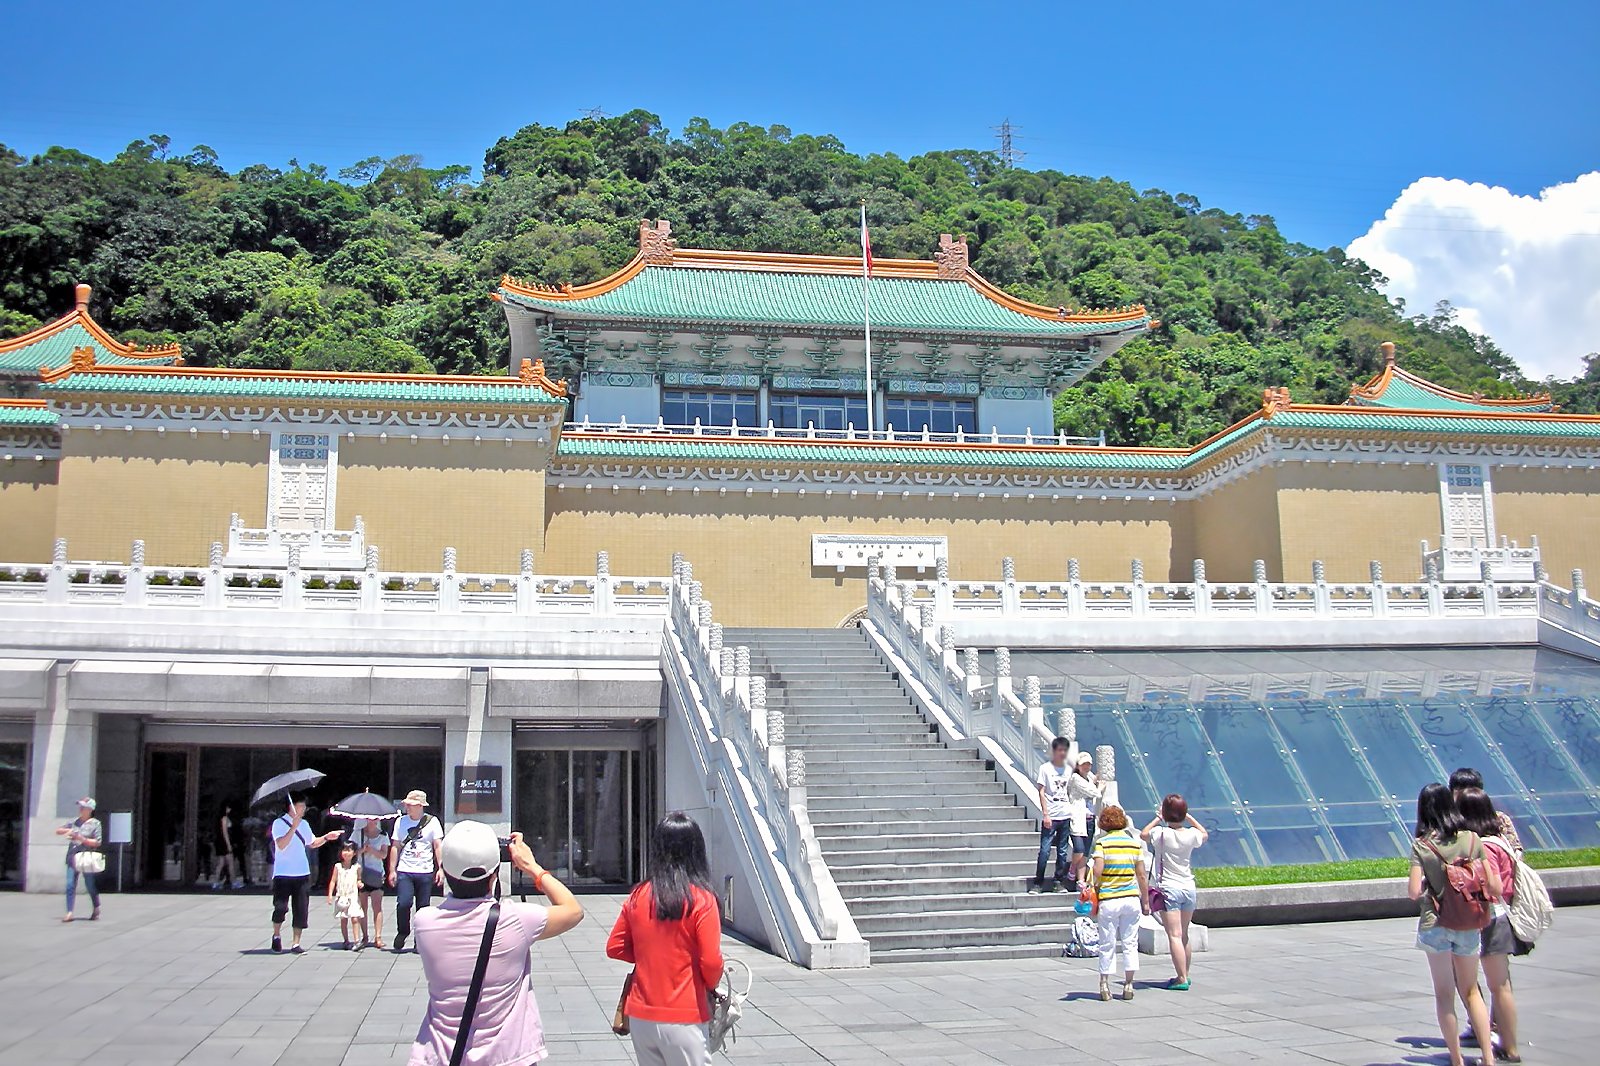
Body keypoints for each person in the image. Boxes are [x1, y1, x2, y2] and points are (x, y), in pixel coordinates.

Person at [408, 821, 582, 1066]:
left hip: (441, 1056)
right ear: (494, 875)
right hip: (508, 1056)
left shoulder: (424, 922)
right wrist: (532, 866)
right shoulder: (517, 919)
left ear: (445, 870)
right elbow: (573, 910)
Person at [608, 812, 725, 1066]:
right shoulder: (702, 900)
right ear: (696, 850)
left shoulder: (639, 895)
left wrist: (648, 954)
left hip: (641, 1014)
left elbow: (615, 947)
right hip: (686, 1014)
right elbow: (712, 963)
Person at [1408, 782, 1502, 1066]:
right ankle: (1488, 1057)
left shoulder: (1422, 845)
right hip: (1468, 922)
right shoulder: (1473, 839)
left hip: (1435, 922)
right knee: (1472, 990)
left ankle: (1457, 1059)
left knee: (1444, 994)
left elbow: (1414, 892)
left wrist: (1430, 880)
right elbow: (1493, 884)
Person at [1458, 786, 1523, 1064]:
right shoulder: (1502, 843)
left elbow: (1492, 886)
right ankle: (1511, 1047)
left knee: (1477, 986)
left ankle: (1492, 1045)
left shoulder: (1482, 847)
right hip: (1504, 916)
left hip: (1486, 918)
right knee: (1503, 987)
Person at [1141, 794, 1208, 990]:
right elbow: (1204, 834)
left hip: (1169, 888)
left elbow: (1143, 834)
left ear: (1165, 813)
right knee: (1184, 934)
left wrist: (1157, 818)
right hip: (1189, 887)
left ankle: (1181, 978)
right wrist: (1189, 818)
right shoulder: (1191, 835)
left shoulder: (1161, 834)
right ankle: (1185, 973)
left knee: (1174, 935)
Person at [1088, 804, 1148, 1002]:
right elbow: (1141, 875)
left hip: (1109, 898)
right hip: (1131, 898)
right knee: (1130, 942)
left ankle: (1104, 984)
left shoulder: (1102, 843)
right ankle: (1129, 984)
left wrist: (1094, 888)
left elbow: (1097, 871)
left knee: (1108, 943)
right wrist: (1146, 901)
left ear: (1104, 823)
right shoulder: (1134, 844)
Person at [270, 795, 340, 954]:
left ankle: (296, 942)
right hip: (283, 873)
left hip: (301, 872)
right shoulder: (279, 823)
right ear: (292, 807)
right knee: (280, 907)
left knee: (301, 909)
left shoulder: (305, 824)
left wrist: (327, 837)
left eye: (304, 807)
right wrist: (293, 827)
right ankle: (276, 935)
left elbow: (312, 842)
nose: (304, 809)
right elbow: (281, 845)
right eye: (301, 806)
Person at [389, 790, 444, 953]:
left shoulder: (433, 822)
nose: (407, 807)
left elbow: (437, 846)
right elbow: (395, 846)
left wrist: (440, 868)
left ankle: (419, 939)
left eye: (411, 805)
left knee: (423, 908)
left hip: (425, 870)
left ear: (420, 806)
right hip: (405, 869)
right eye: (406, 804)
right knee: (404, 903)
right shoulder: (400, 822)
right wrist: (392, 870)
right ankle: (403, 931)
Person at [1031, 737, 1074, 894]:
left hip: (1065, 814)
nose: (1062, 753)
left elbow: (1072, 790)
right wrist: (1046, 814)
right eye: (1059, 750)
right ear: (1054, 751)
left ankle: (1058, 881)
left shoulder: (1069, 769)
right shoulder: (1045, 769)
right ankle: (1038, 882)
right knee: (1045, 850)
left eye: (1064, 750)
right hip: (1051, 815)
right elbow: (1041, 791)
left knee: (1062, 851)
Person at [1450, 768, 1522, 856]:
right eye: (1460, 790)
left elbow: (1515, 849)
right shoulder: (1449, 820)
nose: (1467, 794)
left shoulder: (1500, 819)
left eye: (1472, 789)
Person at [55, 797, 102, 923]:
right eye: (80, 807)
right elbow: (58, 830)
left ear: (90, 809)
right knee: (70, 884)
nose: (81, 809)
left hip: (86, 858)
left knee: (89, 884)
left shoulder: (95, 823)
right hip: (72, 857)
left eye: (84, 807)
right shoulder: (74, 821)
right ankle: (69, 912)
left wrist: (82, 839)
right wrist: (69, 831)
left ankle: (96, 906)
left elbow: (97, 842)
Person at [1064, 751, 1103, 891]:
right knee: (1079, 849)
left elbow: (1089, 789)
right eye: (1083, 764)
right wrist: (1099, 787)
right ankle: (1072, 869)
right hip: (1078, 818)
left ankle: (1080, 880)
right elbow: (1094, 793)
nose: (1086, 767)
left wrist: (1093, 782)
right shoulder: (1075, 778)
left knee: (1085, 852)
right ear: (1078, 766)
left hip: (1089, 819)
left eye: (1088, 764)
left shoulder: (1087, 780)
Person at [356, 818, 391, 949]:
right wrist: (362, 850)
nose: (373, 821)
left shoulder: (383, 835)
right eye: (370, 819)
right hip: (361, 873)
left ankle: (378, 937)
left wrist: (371, 850)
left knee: (377, 906)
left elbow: (384, 854)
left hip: (376, 872)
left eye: (376, 819)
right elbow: (351, 852)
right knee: (362, 906)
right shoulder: (358, 833)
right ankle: (365, 936)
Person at [328, 841, 366, 950]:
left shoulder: (357, 867)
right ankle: (346, 940)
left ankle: (357, 940)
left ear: (354, 853)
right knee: (343, 919)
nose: (346, 853)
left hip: (353, 896)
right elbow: (333, 881)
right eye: (344, 850)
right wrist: (330, 894)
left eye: (349, 850)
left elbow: (359, 879)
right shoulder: (338, 866)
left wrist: (360, 883)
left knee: (355, 918)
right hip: (341, 896)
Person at [210, 802, 244, 890]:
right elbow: (225, 832)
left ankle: (216, 882)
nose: (230, 809)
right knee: (230, 863)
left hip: (221, 842)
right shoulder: (224, 818)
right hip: (224, 843)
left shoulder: (220, 818)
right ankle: (234, 881)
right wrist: (228, 844)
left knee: (221, 863)